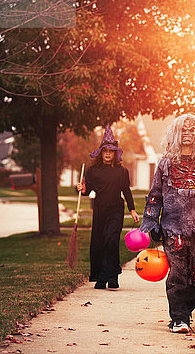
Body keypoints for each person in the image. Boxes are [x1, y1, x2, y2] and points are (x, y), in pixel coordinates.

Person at [140, 114, 195, 333]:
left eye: (192, 130)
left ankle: (185, 312)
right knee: (178, 274)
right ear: (176, 134)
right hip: (173, 229)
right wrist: (151, 222)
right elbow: (155, 195)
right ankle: (179, 318)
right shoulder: (166, 164)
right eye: (183, 131)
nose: (187, 134)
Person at [77, 124, 139, 289]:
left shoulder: (122, 172)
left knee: (111, 240)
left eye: (111, 152)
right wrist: (83, 189)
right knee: (99, 242)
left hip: (116, 209)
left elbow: (126, 190)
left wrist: (132, 210)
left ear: (115, 154)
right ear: (101, 153)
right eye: (105, 151)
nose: (107, 154)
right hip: (99, 209)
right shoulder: (92, 171)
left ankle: (108, 278)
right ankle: (106, 277)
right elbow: (87, 189)